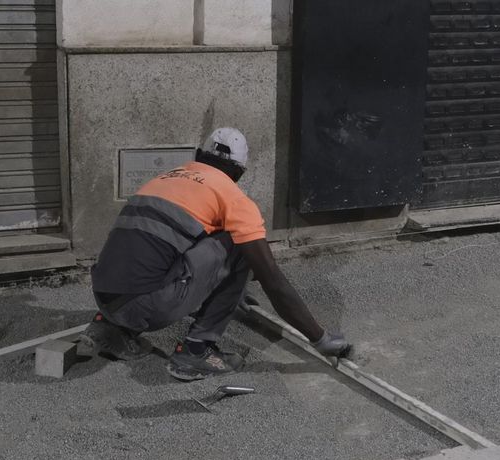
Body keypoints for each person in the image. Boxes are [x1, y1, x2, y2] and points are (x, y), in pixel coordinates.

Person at [79, 128, 352, 381]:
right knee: (240, 244)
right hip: (146, 308)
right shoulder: (233, 198)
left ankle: (113, 328)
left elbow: (160, 249)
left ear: (199, 157)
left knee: (169, 248)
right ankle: (196, 350)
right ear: (239, 173)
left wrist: (228, 290)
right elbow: (272, 280)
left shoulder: (164, 179)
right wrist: (319, 339)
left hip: (105, 297)